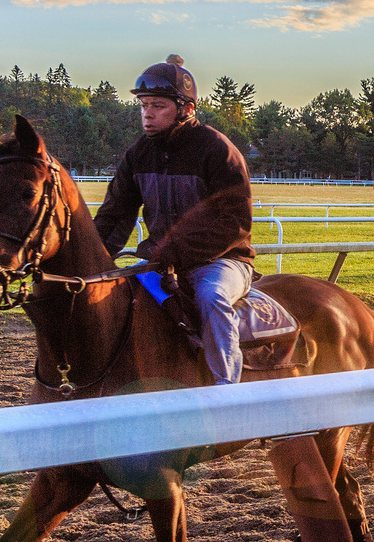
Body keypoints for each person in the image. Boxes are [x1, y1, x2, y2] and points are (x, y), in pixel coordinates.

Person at [94, 56, 256, 384]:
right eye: (143, 105)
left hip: (222, 261)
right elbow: (114, 216)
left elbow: (234, 223)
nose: (148, 113)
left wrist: (173, 252)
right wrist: (93, 258)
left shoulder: (217, 150)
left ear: (186, 109)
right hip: (157, 262)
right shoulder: (137, 154)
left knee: (212, 298)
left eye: (158, 105)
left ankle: (227, 393)